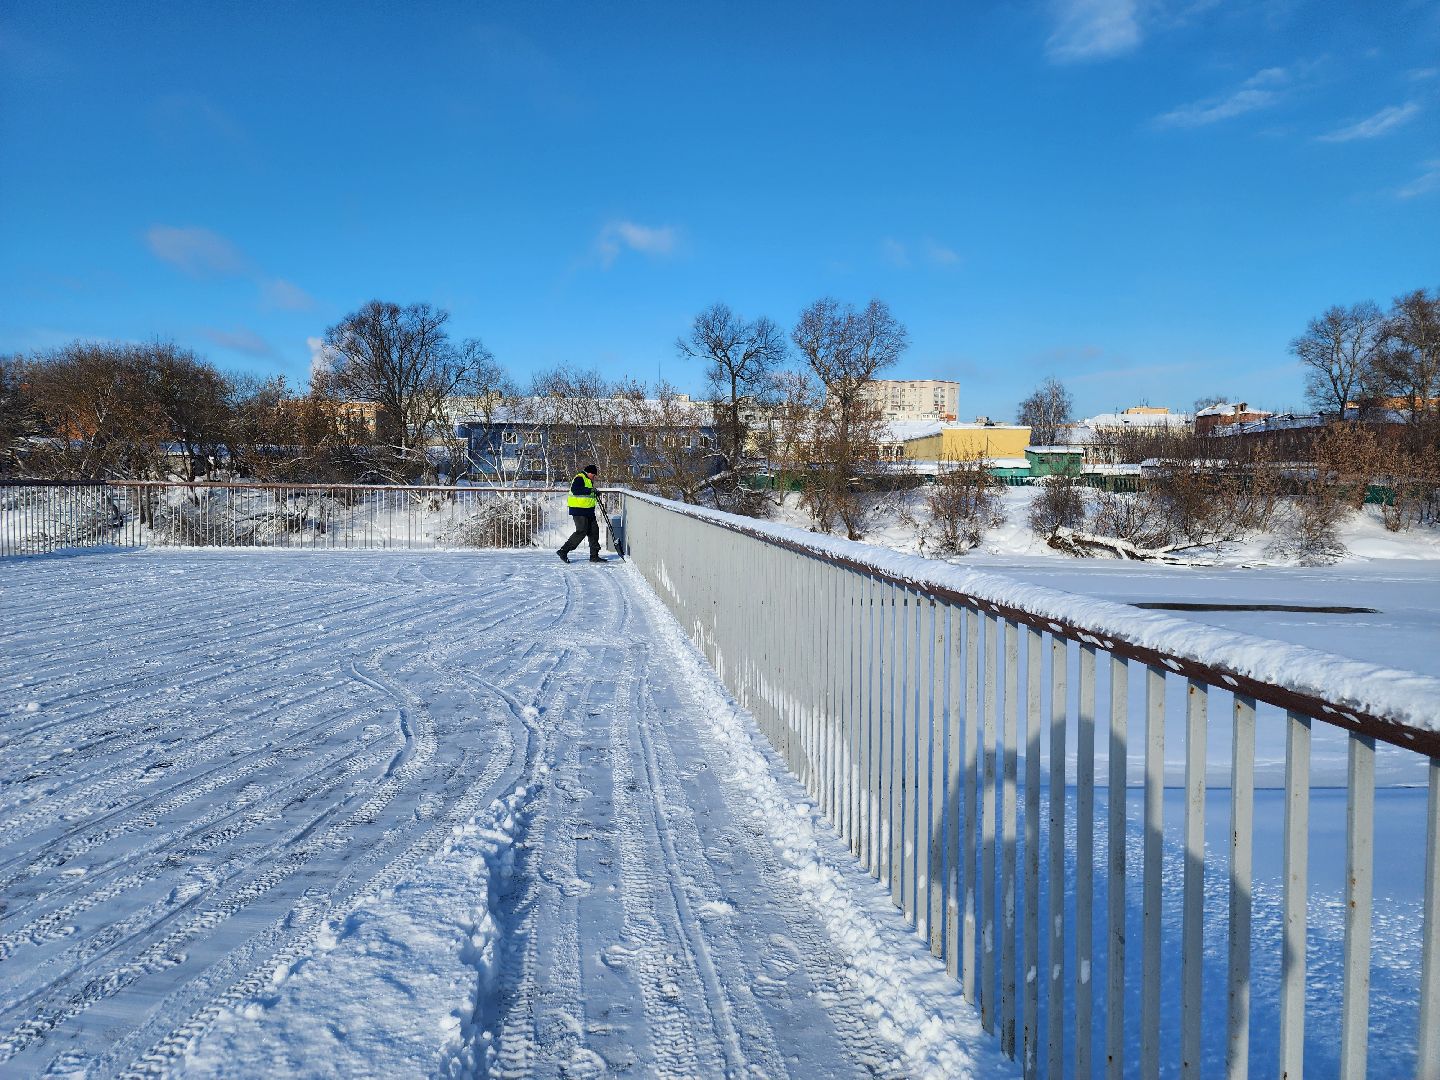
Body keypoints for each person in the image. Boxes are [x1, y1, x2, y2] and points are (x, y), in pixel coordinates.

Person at [557, 464, 605, 563]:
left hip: (588, 510)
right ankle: (563, 551)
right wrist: (590, 490)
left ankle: (594, 556)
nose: (594, 477)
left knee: (594, 531)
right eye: (594, 475)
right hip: (579, 510)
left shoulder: (588, 480)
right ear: (589, 472)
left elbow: (587, 493)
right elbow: (576, 490)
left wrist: (594, 492)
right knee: (581, 531)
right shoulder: (580, 478)